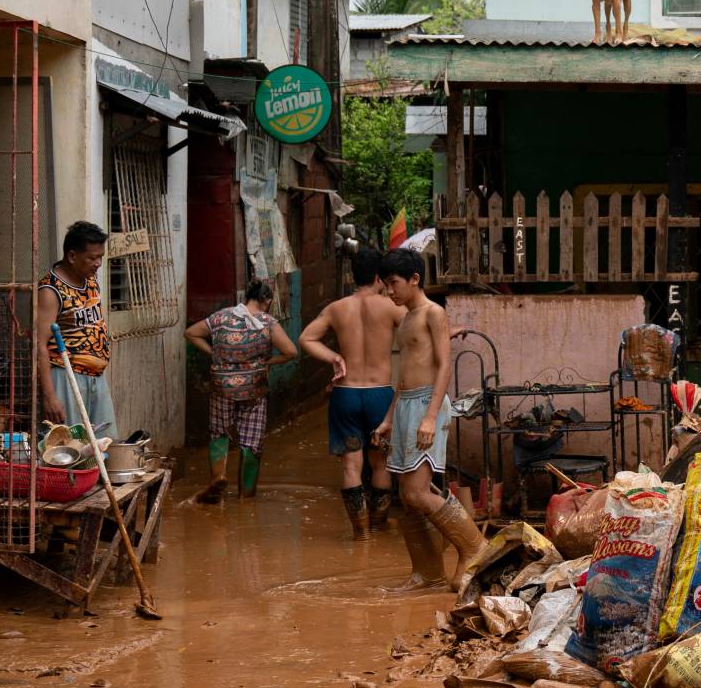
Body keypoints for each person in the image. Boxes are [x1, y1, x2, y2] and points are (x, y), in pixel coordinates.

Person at [370, 248, 485, 591]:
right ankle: (427, 573)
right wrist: (388, 418)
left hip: (426, 405)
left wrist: (431, 416)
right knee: (407, 496)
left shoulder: (434, 313)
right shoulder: (405, 319)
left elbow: (444, 366)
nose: (389, 291)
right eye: (386, 284)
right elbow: (402, 375)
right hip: (405, 404)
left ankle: (475, 549)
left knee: (419, 493)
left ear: (414, 279)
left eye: (393, 283)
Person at [299, 249, 403, 540]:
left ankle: (361, 533)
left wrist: (334, 357)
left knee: (351, 465)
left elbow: (306, 338)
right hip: (379, 394)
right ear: (379, 278)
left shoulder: (337, 308)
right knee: (380, 462)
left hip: (345, 394)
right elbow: (423, 330)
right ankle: (380, 523)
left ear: (352, 276)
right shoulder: (391, 307)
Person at [186, 280, 300, 503]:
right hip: (254, 389)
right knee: (252, 440)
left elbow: (190, 333)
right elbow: (291, 352)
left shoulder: (221, 317)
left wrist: (213, 353)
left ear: (247, 296)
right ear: (266, 300)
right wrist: (268, 362)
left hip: (222, 387)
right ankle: (245, 496)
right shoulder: (267, 323)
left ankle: (218, 477)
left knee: (219, 432)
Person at [34, 222, 114, 439]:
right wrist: (50, 396)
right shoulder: (51, 290)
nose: (98, 263)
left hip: (96, 377)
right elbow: (39, 344)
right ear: (72, 256)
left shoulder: (90, 278)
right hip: (66, 377)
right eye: (92, 258)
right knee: (71, 447)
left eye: (101, 257)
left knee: (105, 443)